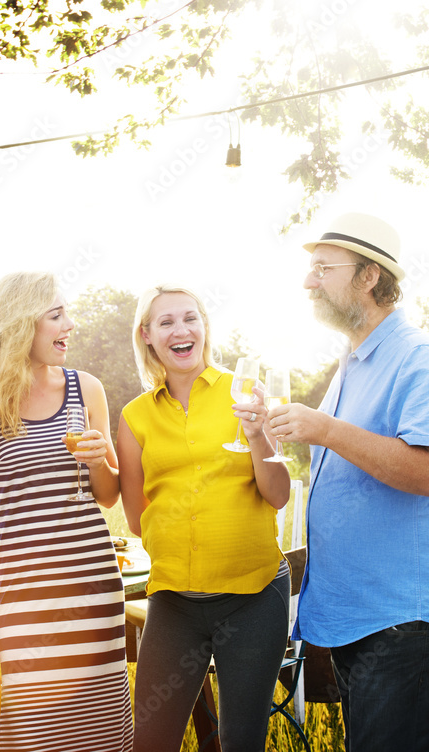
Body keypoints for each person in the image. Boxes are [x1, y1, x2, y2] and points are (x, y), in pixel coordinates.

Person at [0, 271, 133, 751]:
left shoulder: (87, 389)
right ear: (20, 325)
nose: (70, 325)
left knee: (100, 726)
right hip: (26, 590)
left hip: (91, 582)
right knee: (35, 728)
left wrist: (100, 459)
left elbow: (109, 495)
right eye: (56, 315)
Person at [269, 212, 429, 751]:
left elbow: (425, 470)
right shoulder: (354, 360)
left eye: (322, 268)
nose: (308, 280)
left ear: (368, 277)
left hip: (398, 620)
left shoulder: (417, 358)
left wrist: (326, 429)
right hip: (356, 615)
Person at [117, 284, 291, 752]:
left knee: (240, 739)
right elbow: (137, 518)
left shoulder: (247, 395)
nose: (181, 329)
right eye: (167, 322)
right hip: (176, 601)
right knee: (151, 741)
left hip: (254, 597)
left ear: (204, 327)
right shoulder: (135, 417)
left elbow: (278, 495)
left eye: (190, 318)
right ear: (147, 336)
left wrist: (258, 437)